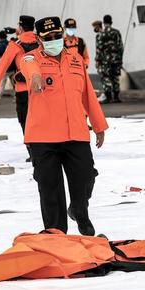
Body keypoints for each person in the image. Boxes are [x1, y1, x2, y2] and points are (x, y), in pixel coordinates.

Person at [20, 16, 108, 236]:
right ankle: (56, 233)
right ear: (39, 40)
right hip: (43, 137)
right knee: (50, 190)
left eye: (57, 36)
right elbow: (28, 66)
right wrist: (36, 77)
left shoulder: (76, 59)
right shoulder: (32, 58)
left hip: (76, 133)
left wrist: (98, 126)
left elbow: (88, 95)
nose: (54, 40)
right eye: (48, 38)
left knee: (87, 176)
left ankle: (79, 209)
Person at [0, 16, 39, 142]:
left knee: (24, 119)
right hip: (40, 87)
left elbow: (3, 64)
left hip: (23, 88)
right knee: (40, 119)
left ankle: (31, 148)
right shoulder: (40, 41)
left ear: (21, 27)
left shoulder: (15, 44)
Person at [95, 14, 124, 103]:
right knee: (115, 77)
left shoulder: (101, 34)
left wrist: (97, 60)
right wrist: (120, 58)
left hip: (105, 60)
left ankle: (108, 97)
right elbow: (120, 47)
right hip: (116, 59)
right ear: (111, 22)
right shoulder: (116, 32)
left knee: (106, 77)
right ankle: (116, 97)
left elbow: (99, 48)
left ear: (104, 23)